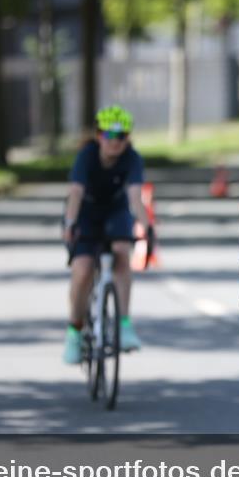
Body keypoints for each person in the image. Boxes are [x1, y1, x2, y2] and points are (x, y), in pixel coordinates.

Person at [62, 105, 152, 362]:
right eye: (109, 135)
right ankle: (74, 332)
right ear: (98, 135)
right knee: (83, 269)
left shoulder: (132, 158)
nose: (115, 142)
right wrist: (70, 223)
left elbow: (135, 197)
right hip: (85, 212)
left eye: (121, 136)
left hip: (115, 212)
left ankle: (124, 325)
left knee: (122, 254)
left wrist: (147, 227)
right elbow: (76, 192)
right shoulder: (87, 155)